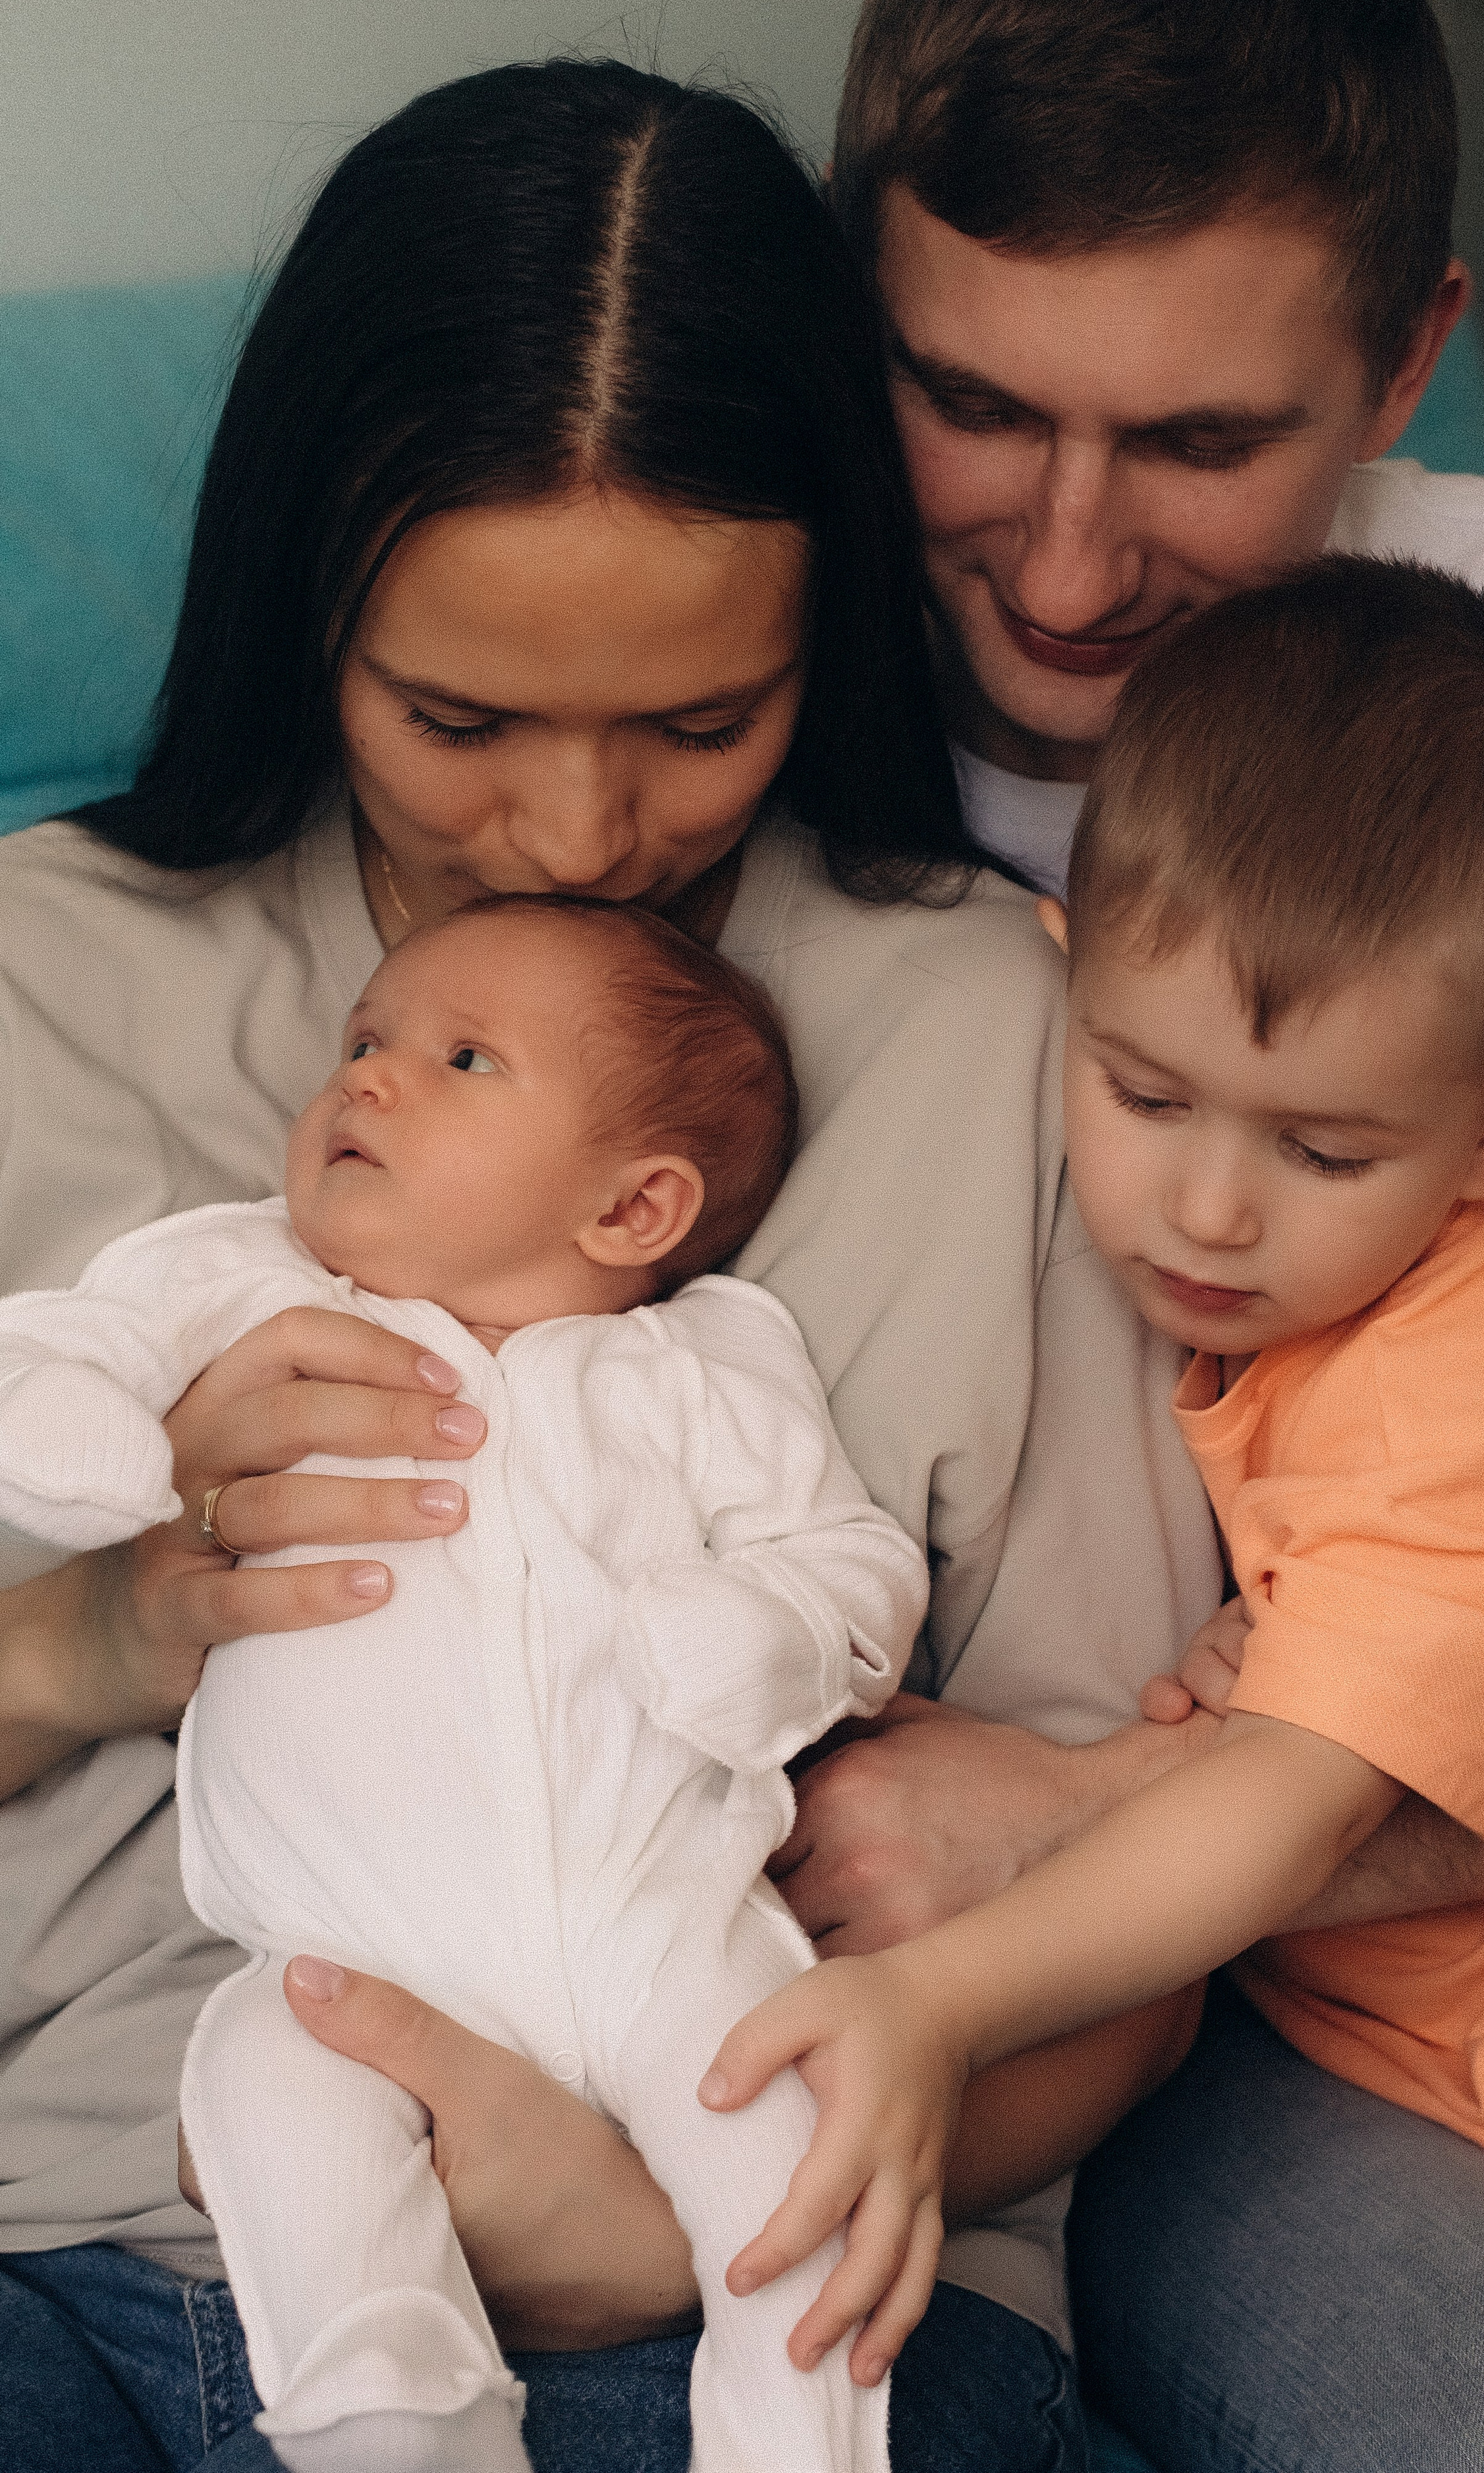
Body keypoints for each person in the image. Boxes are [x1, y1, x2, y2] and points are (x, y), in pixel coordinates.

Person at [0, 57, 1211, 2473]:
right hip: (98, 2245)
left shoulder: (979, 1036)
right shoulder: (51, 979)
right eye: (454, 715)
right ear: (302, 606)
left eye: (699, 720)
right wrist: (108, 1628)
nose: (573, 829)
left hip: (790, 2276)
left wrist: (684, 2238)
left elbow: (1143, 1917)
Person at [788, 0, 1484, 2462]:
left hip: (1360, 1918)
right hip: (1172, 2038)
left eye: (1195, 441)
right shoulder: (710, 702)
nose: (1068, 564)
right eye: (968, 401)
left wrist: (1086, 1824)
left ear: (1412, 358)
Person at [702, 561, 1484, 2377]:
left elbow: (1285, 1814)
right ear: (1068, 980)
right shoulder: (1170, 1242)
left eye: (1324, 1151)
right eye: (1146, 1098)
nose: (1210, 1212)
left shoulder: (1451, 1392)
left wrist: (933, 2001)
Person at [0, 893, 930, 2473]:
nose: (364, 1077)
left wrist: (757, 1628)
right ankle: (389, 2406)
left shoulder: (703, 1366)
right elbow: (71, 1342)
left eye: (461, 1058)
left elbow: (849, 1563)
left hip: (660, 1936)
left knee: (788, 2146)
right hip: (341, 1953)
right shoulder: (260, 1291)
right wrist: (85, 1438)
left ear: (634, 1210)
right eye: (362, 1040)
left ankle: (791, 2440)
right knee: (266, 2082)